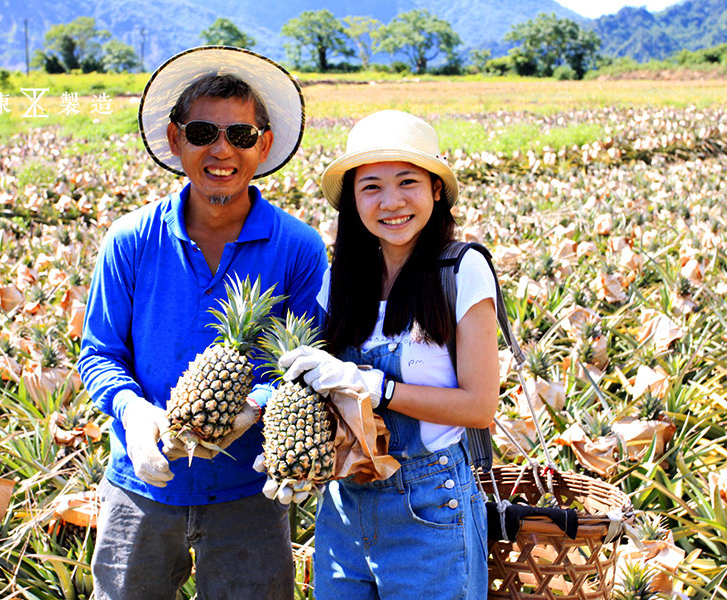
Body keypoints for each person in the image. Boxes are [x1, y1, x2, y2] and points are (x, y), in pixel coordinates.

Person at [77, 46, 327, 600]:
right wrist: (133, 411)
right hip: (139, 486)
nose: (221, 150)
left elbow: (306, 362)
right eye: (202, 132)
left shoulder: (299, 248)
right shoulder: (132, 239)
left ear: (262, 144)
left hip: (249, 492)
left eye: (239, 136)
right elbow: (98, 352)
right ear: (174, 139)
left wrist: (255, 403)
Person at [280, 110, 499, 599]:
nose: (392, 202)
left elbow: (480, 406)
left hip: (430, 507)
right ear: (353, 200)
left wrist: (377, 388)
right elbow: (306, 377)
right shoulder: (339, 281)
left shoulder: (462, 270)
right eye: (371, 187)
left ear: (436, 190)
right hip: (343, 501)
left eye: (407, 182)